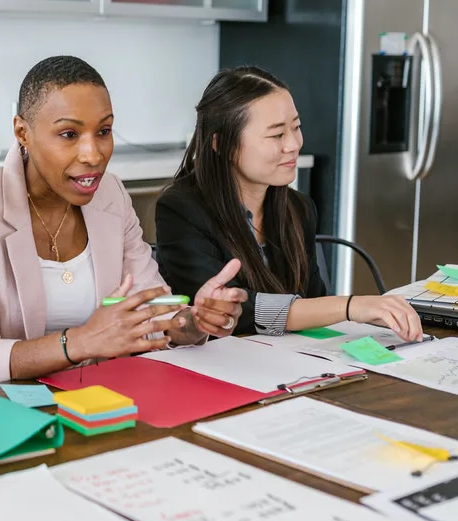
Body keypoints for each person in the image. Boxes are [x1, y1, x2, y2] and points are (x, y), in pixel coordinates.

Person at [0, 55, 248, 387]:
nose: (93, 154)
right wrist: (79, 342)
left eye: (104, 131)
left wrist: (194, 321)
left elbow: (153, 313)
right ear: (23, 132)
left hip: (93, 399)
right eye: (68, 134)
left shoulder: (111, 195)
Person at [156, 65, 423, 340]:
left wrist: (370, 314)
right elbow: (235, 313)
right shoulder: (181, 209)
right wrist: (350, 306)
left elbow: (314, 304)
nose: (294, 144)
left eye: (296, 127)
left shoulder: (298, 208)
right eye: (276, 134)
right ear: (222, 144)